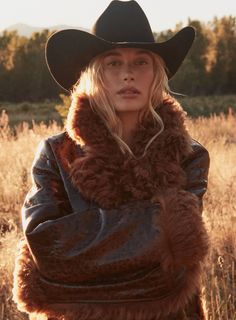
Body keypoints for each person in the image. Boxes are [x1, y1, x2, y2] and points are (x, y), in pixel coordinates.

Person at [13, 1, 210, 319]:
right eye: (113, 63)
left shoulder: (189, 155)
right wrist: (162, 225)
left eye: (141, 62)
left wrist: (82, 263)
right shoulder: (56, 153)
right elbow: (47, 245)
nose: (128, 74)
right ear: (95, 74)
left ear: (157, 74)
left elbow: (176, 262)